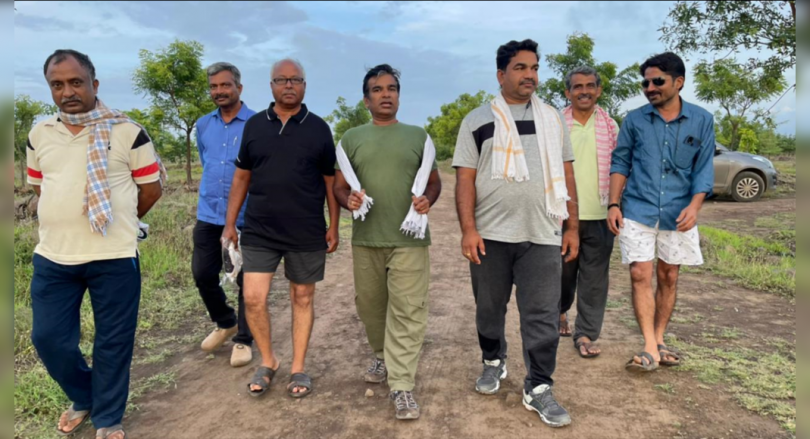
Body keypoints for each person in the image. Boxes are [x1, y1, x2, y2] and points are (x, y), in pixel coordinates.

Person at [27, 49, 164, 439]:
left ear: (94, 85)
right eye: (58, 84)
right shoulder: (40, 134)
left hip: (114, 256)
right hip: (54, 256)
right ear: (50, 88)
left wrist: (118, 221)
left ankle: (107, 418)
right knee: (48, 338)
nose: (67, 91)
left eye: (76, 82)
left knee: (113, 341)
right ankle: (83, 394)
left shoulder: (127, 131)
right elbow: (39, 186)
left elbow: (150, 189)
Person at [452, 39, 577, 428]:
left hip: (542, 233)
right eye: (521, 68)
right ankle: (493, 360)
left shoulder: (553, 119)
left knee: (541, 314)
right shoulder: (477, 120)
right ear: (501, 74)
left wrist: (571, 225)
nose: (530, 75)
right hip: (490, 235)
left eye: (534, 68)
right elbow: (465, 180)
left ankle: (538, 387)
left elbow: (568, 172)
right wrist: (468, 229)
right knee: (489, 309)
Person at [221, 58, 340, 399]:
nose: (289, 85)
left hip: (306, 231)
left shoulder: (319, 128)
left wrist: (334, 224)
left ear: (304, 85)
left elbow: (329, 181)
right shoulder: (255, 125)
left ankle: (298, 366)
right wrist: (230, 224)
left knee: (302, 296)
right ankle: (269, 361)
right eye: (281, 80)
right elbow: (242, 175)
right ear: (271, 85)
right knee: (253, 298)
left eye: (295, 80)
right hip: (259, 230)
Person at [333, 64, 442, 421]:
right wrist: (346, 199)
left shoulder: (418, 137)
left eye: (391, 88)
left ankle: (402, 385)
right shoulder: (350, 139)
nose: (386, 94)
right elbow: (338, 185)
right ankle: (381, 355)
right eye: (377, 89)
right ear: (366, 100)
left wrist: (428, 199)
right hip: (367, 239)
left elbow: (434, 182)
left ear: (399, 94)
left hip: (409, 238)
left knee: (408, 309)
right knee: (371, 306)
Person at [607, 52, 714, 372]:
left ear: (678, 82)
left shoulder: (702, 120)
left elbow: (703, 169)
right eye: (645, 82)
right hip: (638, 208)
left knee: (669, 275)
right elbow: (620, 162)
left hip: (678, 212)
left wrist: (695, 207)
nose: (649, 87)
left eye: (657, 81)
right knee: (640, 273)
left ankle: (659, 336)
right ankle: (650, 347)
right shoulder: (635, 120)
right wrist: (614, 203)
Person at [193, 62, 256, 367]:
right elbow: (207, 161)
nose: (219, 91)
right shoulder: (203, 125)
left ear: (239, 88)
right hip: (209, 213)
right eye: (214, 87)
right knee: (203, 274)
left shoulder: (258, 124)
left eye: (225, 85)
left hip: (247, 216)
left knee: (246, 279)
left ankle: (243, 339)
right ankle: (225, 320)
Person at [558, 66, 619, 358]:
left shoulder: (611, 126)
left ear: (599, 90)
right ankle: (559, 311)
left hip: (600, 214)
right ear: (567, 92)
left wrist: (616, 206)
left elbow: (620, 168)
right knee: (562, 274)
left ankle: (585, 334)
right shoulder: (556, 124)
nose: (584, 91)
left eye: (590, 86)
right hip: (561, 214)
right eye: (578, 86)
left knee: (595, 279)